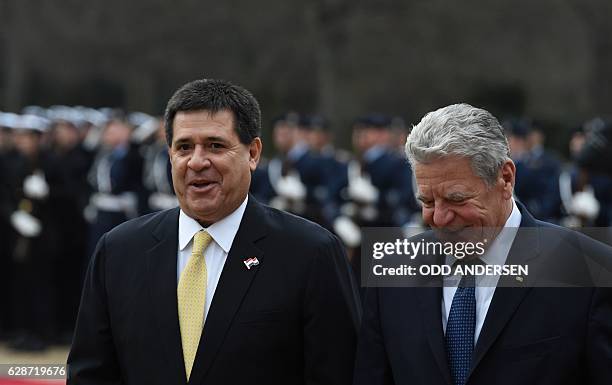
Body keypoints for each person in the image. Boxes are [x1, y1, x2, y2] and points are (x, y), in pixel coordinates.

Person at [68, 79, 361, 385]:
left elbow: (337, 373)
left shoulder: (310, 253)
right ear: (170, 155)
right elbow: (90, 374)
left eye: (215, 145)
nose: (196, 161)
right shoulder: (119, 251)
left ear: (253, 153)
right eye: (184, 147)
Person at [353, 104, 612, 385]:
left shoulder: (590, 270)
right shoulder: (392, 274)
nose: (439, 218)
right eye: (427, 202)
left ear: (506, 179)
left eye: (457, 199)